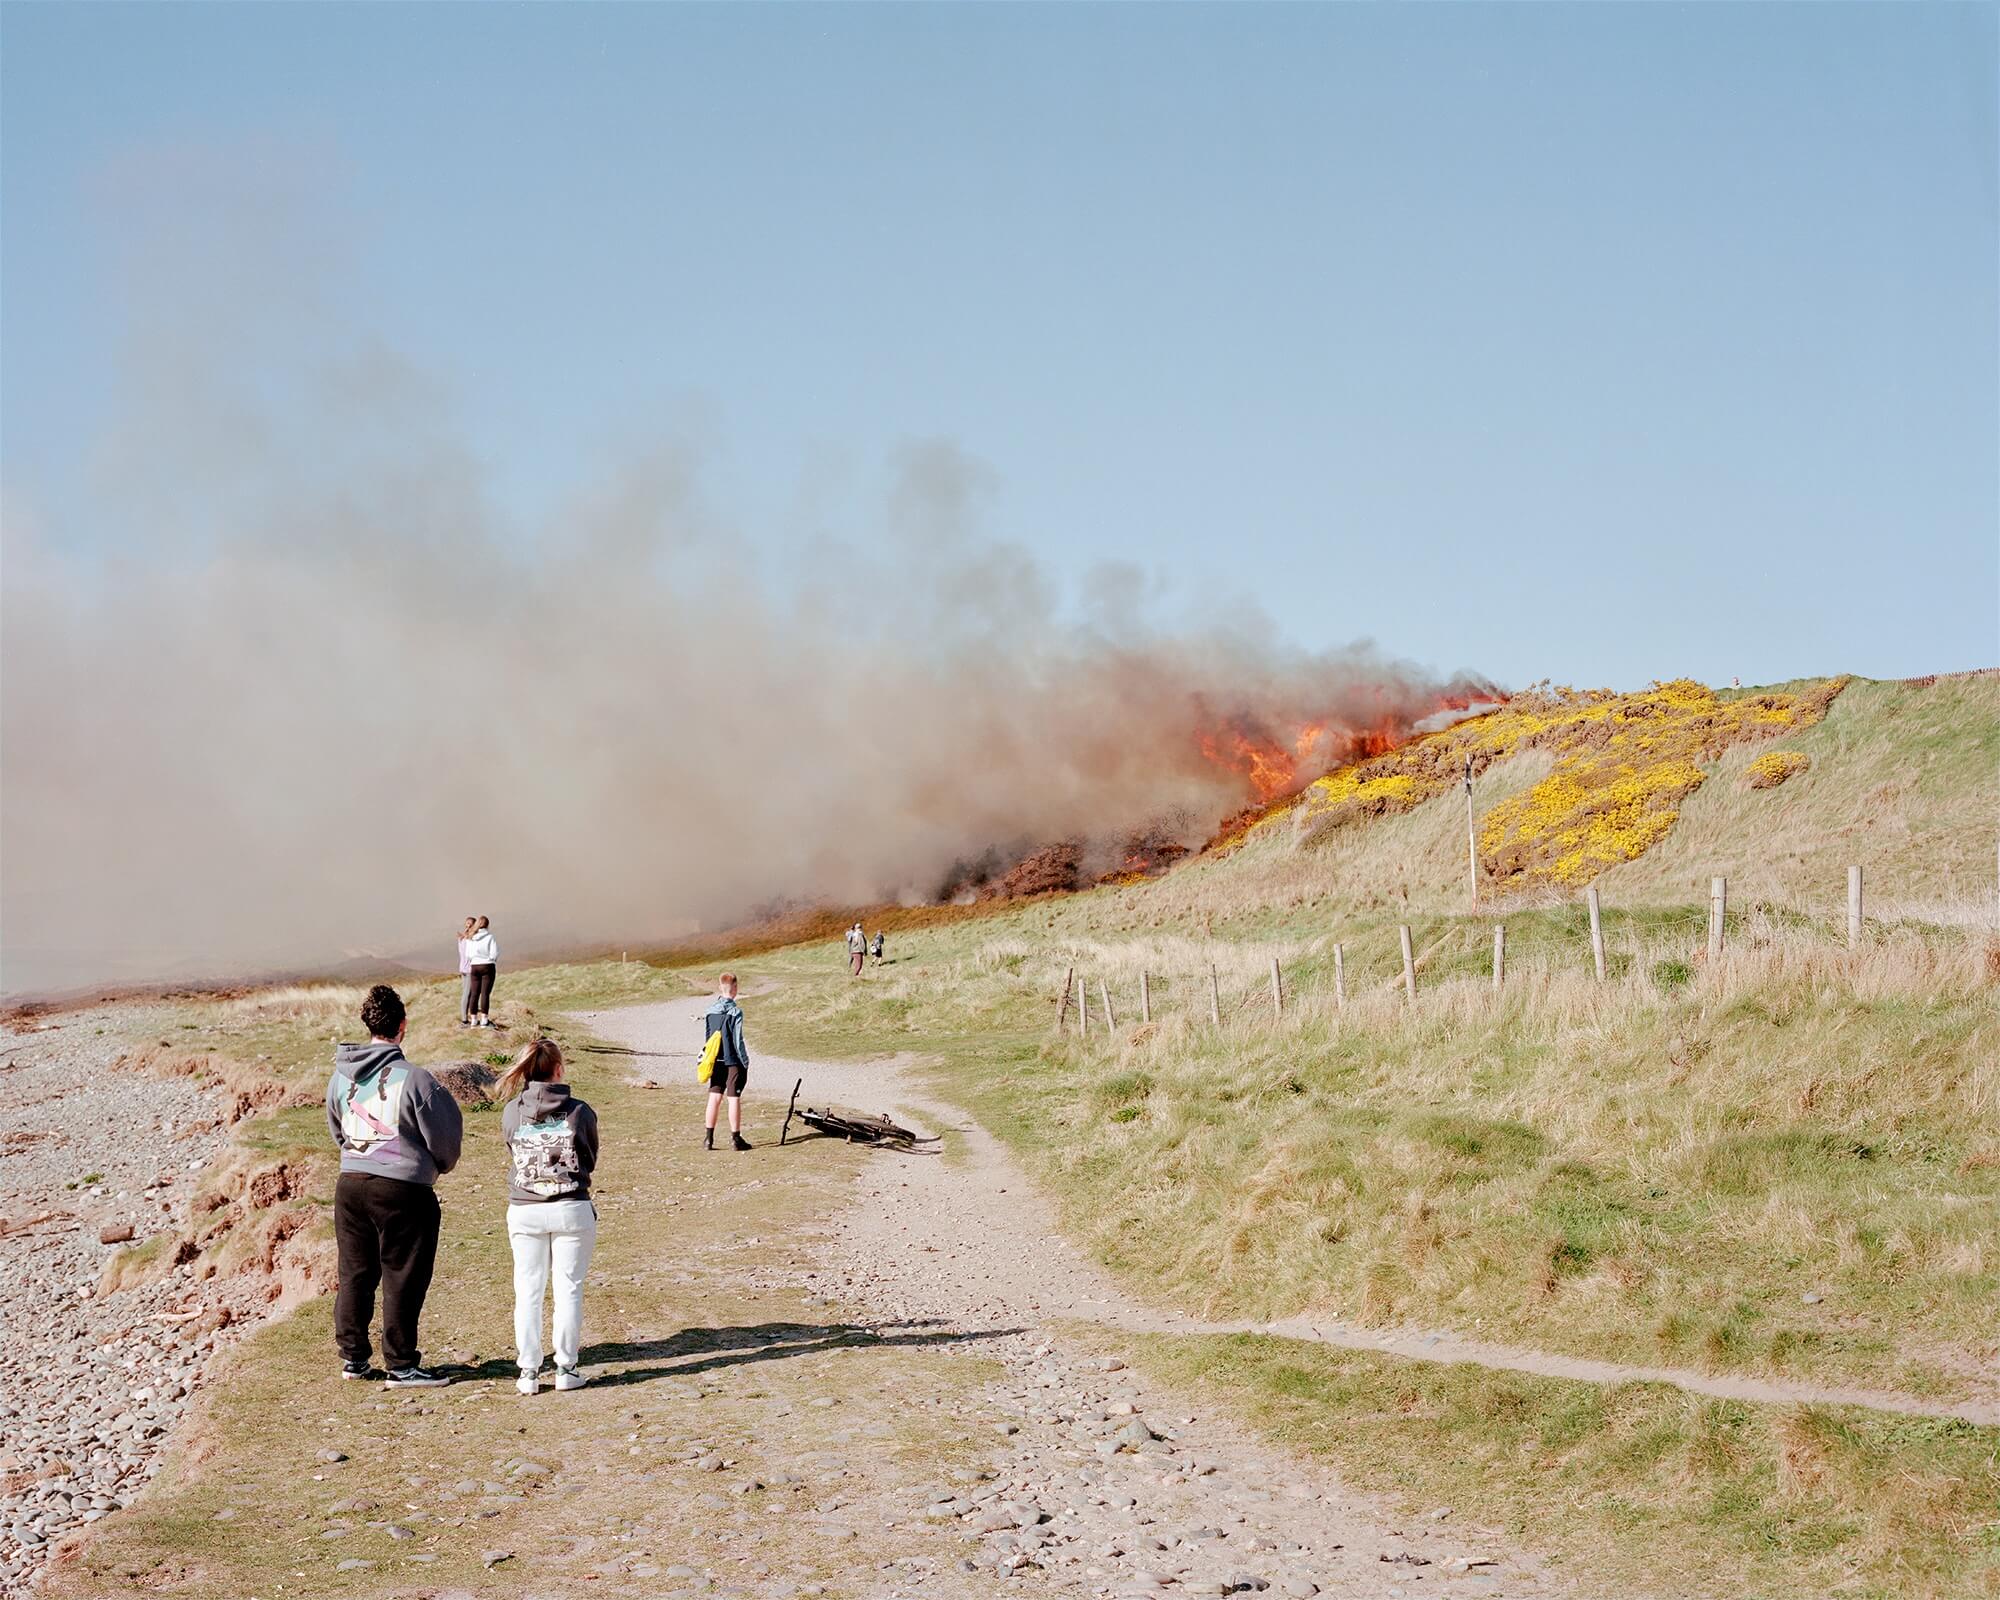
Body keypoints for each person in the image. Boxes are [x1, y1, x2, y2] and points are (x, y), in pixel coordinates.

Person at [326, 984, 463, 1387]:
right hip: (402, 1191)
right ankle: (402, 1365)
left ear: (367, 1024)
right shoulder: (417, 1080)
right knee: (402, 1275)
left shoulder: (338, 1079)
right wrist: (435, 1168)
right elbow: (445, 1139)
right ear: (403, 1026)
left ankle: (353, 1360)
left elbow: (337, 1130)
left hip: (349, 1185)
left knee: (355, 1273)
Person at [497, 1038, 600, 1395]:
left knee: (528, 1290)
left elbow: (511, 1148)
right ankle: (566, 1367)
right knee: (568, 1288)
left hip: (525, 1209)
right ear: (559, 1069)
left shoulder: (512, 1112)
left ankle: (528, 1372)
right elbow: (589, 1158)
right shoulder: (580, 1111)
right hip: (571, 1206)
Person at [703, 973, 751, 1152]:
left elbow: (708, 1038)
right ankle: (735, 1139)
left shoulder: (710, 1010)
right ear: (736, 988)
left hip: (716, 1059)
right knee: (733, 1099)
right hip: (732, 1061)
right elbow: (738, 1041)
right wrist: (744, 1061)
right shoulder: (736, 1012)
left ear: (719, 987)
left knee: (714, 1098)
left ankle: (708, 1139)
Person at [465, 915, 499, 1026]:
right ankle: (484, 1020)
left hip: (474, 966)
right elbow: (494, 953)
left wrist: (475, 959)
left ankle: (473, 1020)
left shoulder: (470, 937)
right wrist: (490, 960)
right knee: (485, 994)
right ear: (487, 925)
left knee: (474, 993)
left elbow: (467, 955)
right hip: (487, 966)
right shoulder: (490, 937)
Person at [456, 916, 477, 1025]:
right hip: (469, 969)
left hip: (462, 969)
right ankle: (464, 1019)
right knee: (467, 993)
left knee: (466, 992)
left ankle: (466, 1015)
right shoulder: (469, 939)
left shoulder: (462, 938)